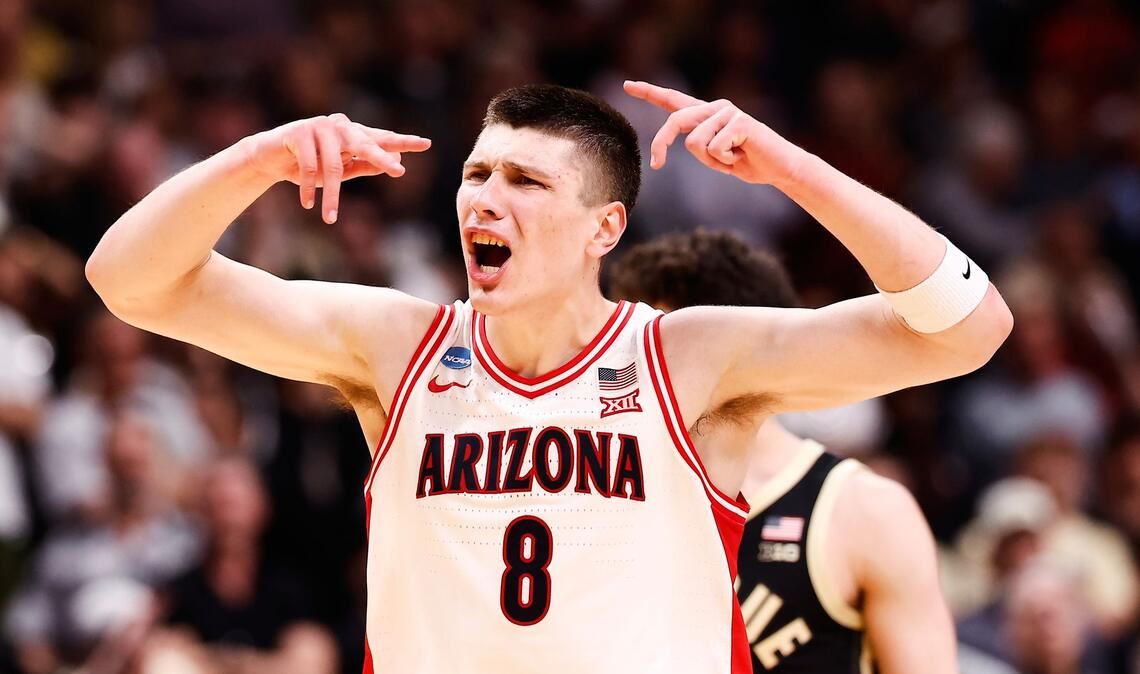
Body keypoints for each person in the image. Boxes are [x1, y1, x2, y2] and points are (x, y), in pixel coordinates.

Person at [85, 81, 1011, 672]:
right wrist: (260, 159)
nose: (486, 196)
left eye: (526, 181)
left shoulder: (687, 359)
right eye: (477, 173)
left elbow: (968, 328)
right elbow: (129, 281)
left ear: (605, 229)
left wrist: (794, 170)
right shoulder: (396, 345)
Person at [609, 229, 957, 673]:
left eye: (650, 343)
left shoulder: (865, 510)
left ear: (726, 348)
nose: (625, 363)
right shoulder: (610, 493)